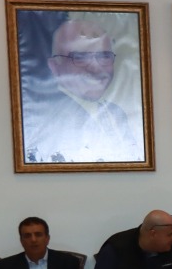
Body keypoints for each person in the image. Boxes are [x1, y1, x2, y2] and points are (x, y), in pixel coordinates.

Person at [21, 18, 144, 164]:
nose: (95, 67)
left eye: (104, 56)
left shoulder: (115, 114)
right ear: (54, 66)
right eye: (80, 57)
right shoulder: (42, 118)